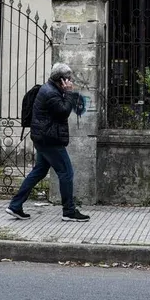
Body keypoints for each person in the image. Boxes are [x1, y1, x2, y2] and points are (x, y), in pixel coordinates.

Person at [6, 62, 90, 222]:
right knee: (66, 173)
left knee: (39, 171)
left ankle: (15, 205)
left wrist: (65, 93)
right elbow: (63, 112)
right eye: (69, 79)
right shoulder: (51, 93)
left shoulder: (50, 89)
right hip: (50, 140)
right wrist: (69, 93)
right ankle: (69, 211)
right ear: (62, 80)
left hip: (43, 138)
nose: (71, 81)